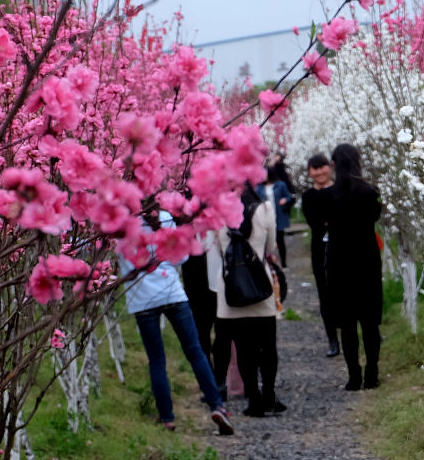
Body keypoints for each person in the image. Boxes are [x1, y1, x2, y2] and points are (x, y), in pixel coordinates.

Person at [118, 213, 235, 435]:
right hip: (172, 293)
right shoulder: (164, 216)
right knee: (195, 352)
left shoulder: (121, 221)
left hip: (142, 300)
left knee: (157, 360)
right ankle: (217, 405)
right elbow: (180, 258)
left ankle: (167, 418)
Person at [212, 184, 283, 417]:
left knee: (243, 349)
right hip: (259, 285)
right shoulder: (265, 209)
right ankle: (269, 395)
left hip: (231, 288)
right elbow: (270, 247)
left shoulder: (217, 211)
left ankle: (254, 399)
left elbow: (218, 252)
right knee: (268, 346)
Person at [326, 143, 383, 390]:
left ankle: (353, 376)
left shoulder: (329, 196)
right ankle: (372, 373)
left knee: (347, 325)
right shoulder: (370, 192)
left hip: (339, 264)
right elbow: (374, 217)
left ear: (335, 165)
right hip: (366, 261)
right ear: (358, 162)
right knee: (370, 323)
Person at [301, 153, 340, 357]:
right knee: (325, 294)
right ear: (309, 172)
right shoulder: (308, 196)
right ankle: (332, 339)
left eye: (322, 167)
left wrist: (329, 221)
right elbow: (315, 222)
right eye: (314, 169)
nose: (319, 172)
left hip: (342, 248)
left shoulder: (340, 189)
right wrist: (330, 221)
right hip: (320, 250)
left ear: (330, 167)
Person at [259, 158, 295, 267]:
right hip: (266, 217)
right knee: (267, 241)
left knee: (280, 240)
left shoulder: (281, 184)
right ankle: (270, 262)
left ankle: (283, 263)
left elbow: (289, 196)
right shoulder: (259, 188)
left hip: (278, 215)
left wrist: (285, 200)